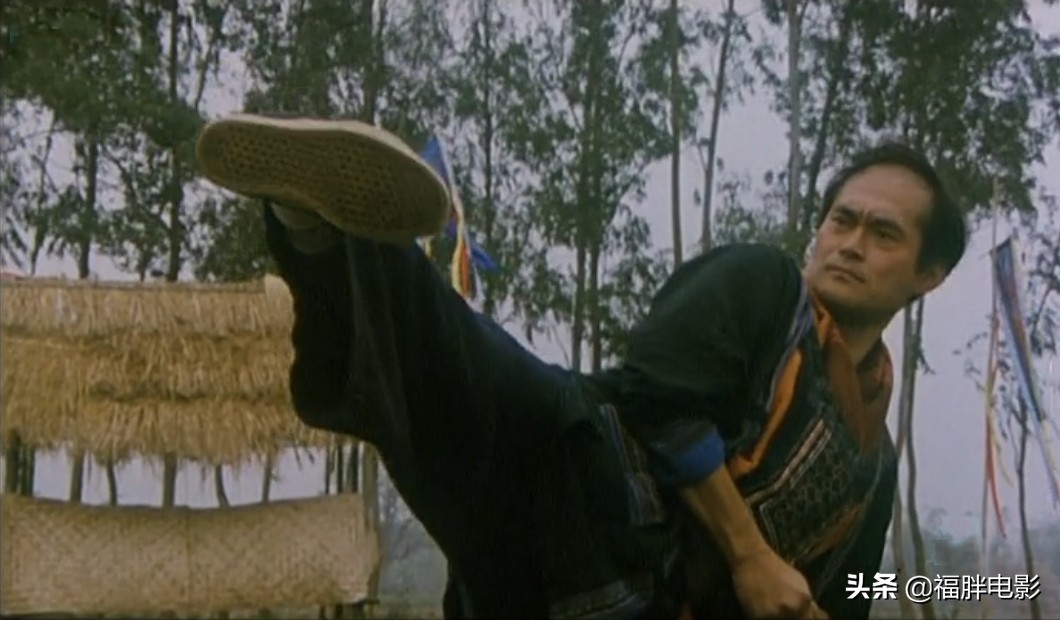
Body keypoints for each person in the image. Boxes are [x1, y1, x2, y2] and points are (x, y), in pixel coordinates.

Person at [195, 115, 967, 620]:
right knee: (451, 360)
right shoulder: (764, 285)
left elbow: (856, 589)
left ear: (929, 274)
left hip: (629, 601)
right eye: (841, 220)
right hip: (582, 480)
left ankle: (326, 230)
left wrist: (966, 589)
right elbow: (657, 396)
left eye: (883, 234)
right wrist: (752, 556)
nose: (850, 243)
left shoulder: (874, 464)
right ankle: (317, 221)